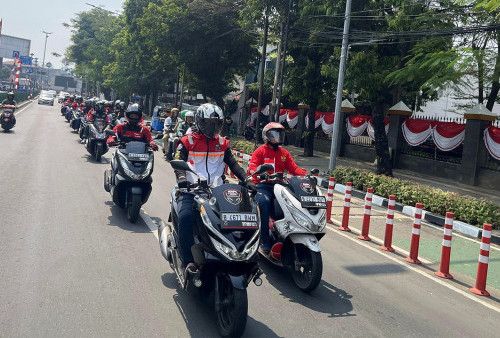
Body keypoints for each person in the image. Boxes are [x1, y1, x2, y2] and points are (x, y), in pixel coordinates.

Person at [174, 103, 256, 275]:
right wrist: (182, 179)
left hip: (217, 190)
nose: (212, 127)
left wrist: (246, 179)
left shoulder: (223, 143)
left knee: (238, 218)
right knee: (186, 218)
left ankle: (239, 255)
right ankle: (188, 262)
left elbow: (233, 163)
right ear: (199, 122)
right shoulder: (187, 141)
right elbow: (177, 161)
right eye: (208, 123)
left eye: (216, 124)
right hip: (191, 190)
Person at [248, 122, 307, 255]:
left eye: (279, 134)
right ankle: (264, 240)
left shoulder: (284, 153)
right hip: (263, 186)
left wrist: (306, 175)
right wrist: (259, 172)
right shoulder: (260, 151)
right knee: (263, 203)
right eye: (274, 135)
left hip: (279, 186)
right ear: (267, 136)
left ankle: (289, 235)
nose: (277, 138)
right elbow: (252, 167)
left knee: (292, 203)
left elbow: (294, 168)